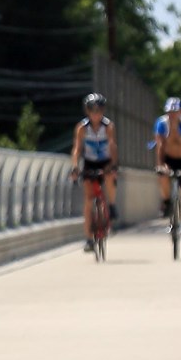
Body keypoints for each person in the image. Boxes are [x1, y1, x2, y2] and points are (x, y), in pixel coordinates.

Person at [72, 93, 118, 252]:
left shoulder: (108, 126)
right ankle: (88, 239)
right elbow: (77, 148)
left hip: (105, 161)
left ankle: (111, 206)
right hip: (90, 162)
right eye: (93, 110)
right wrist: (75, 167)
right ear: (87, 111)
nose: (96, 114)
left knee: (110, 177)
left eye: (99, 111)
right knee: (88, 199)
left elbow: (112, 145)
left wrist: (113, 164)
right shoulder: (82, 128)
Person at [151, 96, 181, 250]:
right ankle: (166, 201)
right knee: (162, 176)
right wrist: (161, 165)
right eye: (170, 112)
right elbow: (160, 146)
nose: (172, 115)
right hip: (169, 159)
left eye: (175, 112)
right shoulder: (162, 124)